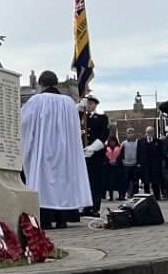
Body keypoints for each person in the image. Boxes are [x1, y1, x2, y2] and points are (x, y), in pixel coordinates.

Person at [19, 72, 89, 228]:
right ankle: (62, 218)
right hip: (64, 153)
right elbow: (75, 129)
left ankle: (45, 219)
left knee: (44, 183)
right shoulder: (69, 103)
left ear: (41, 84)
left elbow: (23, 124)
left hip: (43, 151)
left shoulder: (36, 101)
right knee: (62, 183)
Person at [79, 95, 108, 216]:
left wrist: (92, 148)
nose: (89, 106)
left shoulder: (101, 118)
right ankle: (86, 207)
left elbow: (104, 135)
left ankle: (95, 208)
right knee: (84, 182)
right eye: (87, 103)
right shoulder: (81, 118)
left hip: (95, 154)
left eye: (91, 104)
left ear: (96, 105)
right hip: (81, 154)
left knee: (95, 182)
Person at [137, 125, 163, 200]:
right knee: (146, 181)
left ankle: (157, 196)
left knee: (155, 181)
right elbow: (138, 153)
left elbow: (161, 153)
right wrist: (139, 162)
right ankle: (147, 197)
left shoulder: (158, 142)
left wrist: (159, 163)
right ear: (146, 132)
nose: (149, 133)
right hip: (145, 165)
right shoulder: (141, 141)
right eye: (148, 132)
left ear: (153, 132)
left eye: (151, 132)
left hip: (155, 165)